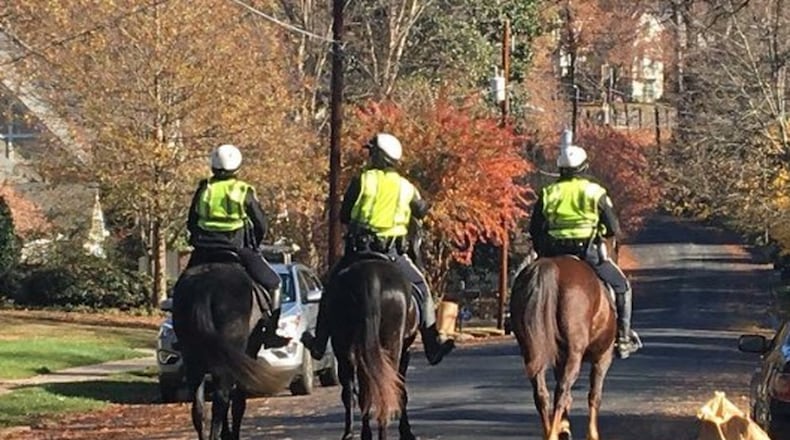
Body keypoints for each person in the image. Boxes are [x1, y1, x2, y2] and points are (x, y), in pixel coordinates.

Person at [303, 133, 455, 365]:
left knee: (330, 288)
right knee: (422, 289)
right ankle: (432, 344)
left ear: (377, 156)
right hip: (393, 255)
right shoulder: (406, 187)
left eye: (371, 152)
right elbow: (422, 210)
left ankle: (319, 343)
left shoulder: (362, 180)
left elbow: (344, 215)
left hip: (359, 252)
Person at [528, 130, 642, 359]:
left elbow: (534, 228)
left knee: (526, 283)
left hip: (552, 251)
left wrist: (542, 250)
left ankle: (517, 319)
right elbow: (612, 227)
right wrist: (601, 233)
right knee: (622, 287)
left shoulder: (548, 192)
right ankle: (623, 337)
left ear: (561, 169)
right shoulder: (594, 191)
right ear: (583, 167)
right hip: (587, 251)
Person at [185, 143, 288, 348]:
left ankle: (183, 335)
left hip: (204, 252)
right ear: (237, 168)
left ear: (212, 166)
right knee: (275, 284)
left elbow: (191, 221)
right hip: (237, 250)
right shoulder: (243, 191)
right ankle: (270, 332)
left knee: (182, 288)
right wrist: (254, 244)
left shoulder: (204, 189)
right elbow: (261, 223)